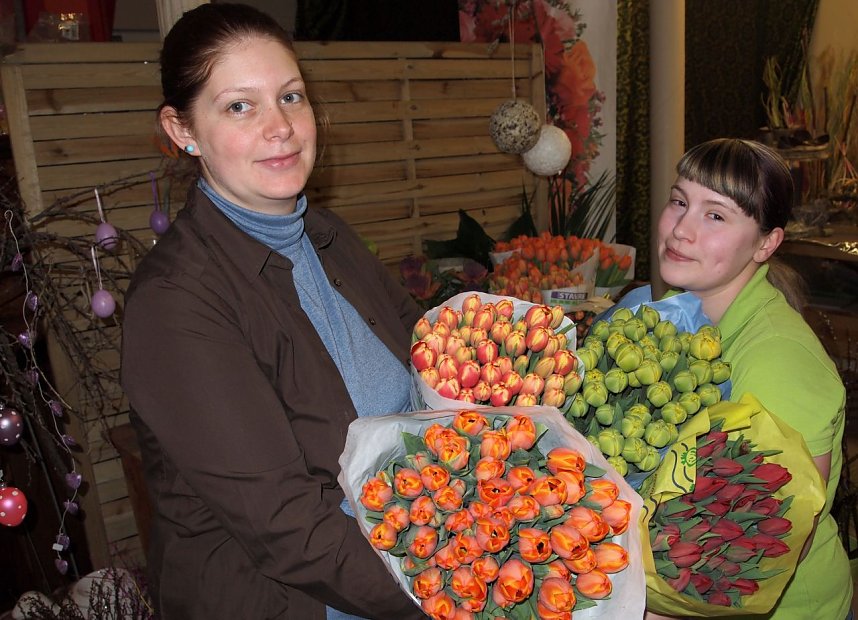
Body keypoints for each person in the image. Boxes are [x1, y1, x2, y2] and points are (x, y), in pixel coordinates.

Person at [120, 4, 424, 619]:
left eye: (291, 97)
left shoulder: (327, 234)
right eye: (240, 106)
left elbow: (430, 361)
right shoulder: (175, 304)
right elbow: (292, 533)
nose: (280, 126)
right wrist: (468, 595)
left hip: (412, 552)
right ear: (183, 131)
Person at [647, 138, 852, 619]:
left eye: (715, 215)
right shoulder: (683, 320)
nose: (681, 229)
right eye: (680, 201)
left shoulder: (780, 360)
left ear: (767, 242)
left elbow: (764, 550)